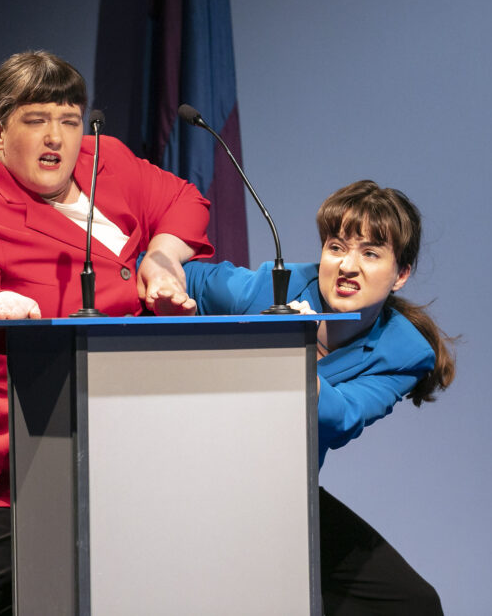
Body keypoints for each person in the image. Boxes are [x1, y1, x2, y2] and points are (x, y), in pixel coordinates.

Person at [0, 50, 213, 616]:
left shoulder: (108, 161)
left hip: (148, 444)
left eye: (70, 120)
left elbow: (186, 201)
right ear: (0, 131)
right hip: (42, 459)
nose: (57, 138)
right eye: (36, 121)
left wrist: (162, 256)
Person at [184, 180, 456, 616]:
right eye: (336, 247)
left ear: (401, 273)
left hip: (282, 498)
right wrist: (164, 281)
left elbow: (342, 417)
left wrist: (289, 352)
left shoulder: (403, 352)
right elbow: (188, 277)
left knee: (413, 604)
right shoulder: (271, 289)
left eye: (370, 253)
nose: (348, 265)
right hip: (194, 480)